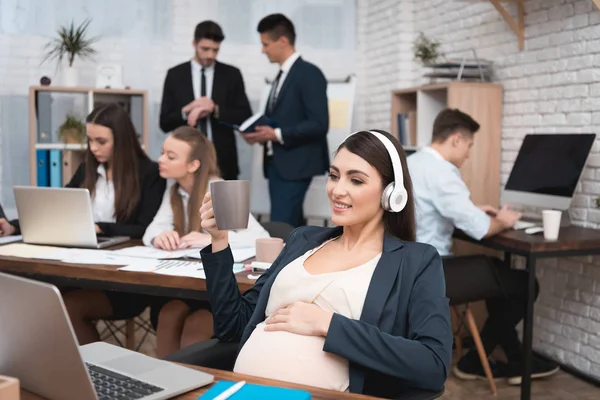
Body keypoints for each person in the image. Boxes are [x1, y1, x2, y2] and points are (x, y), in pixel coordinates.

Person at [193, 130, 452, 397]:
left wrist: (328, 324)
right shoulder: (303, 240)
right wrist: (219, 241)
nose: (338, 190)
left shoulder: (415, 260)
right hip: (241, 392)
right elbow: (232, 325)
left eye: (356, 180)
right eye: (334, 175)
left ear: (391, 194)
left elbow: (432, 365)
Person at [407, 108, 559, 385]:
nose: (468, 153)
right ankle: (476, 361)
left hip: (409, 265)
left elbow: (431, 207)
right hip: (432, 270)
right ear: (455, 139)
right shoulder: (443, 172)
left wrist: (472, 209)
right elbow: (483, 228)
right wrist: (502, 220)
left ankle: (515, 359)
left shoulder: (414, 162)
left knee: (500, 277)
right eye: (469, 145)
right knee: (525, 284)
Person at [18, 103, 166, 345]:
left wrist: (100, 228)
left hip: (124, 281)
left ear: (122, 139)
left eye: (101, 141)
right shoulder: (89, 168)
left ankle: (94, 378)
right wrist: (14, 225)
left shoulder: (148, 173)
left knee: (69, 306)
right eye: (90, 140)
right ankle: (52, 371)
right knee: (40, 297)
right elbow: (57, 206)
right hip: (80, 268)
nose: (93, 148)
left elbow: (144, 228)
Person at [142, 126, 269, 357]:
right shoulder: (174, 189)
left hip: (219, 291)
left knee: (196, 324)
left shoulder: (218, 189)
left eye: (171, 156)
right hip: (188, 285)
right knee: (168, 314)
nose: (160, 159)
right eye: (162, 152)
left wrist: (211, 238)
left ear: (193, 165)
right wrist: (158, 235)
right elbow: (153, 227)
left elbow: (260, 237)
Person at [243, 14, 329, 227]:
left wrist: (276, 134)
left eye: (265, 44)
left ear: (282, 41)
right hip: (279, 165)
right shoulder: (282, 76)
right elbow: (284, 118)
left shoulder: (309, 73)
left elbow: (319, 124)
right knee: (291, 228)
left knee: (281, 227)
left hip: (295, 165)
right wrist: (262, 134)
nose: (263, 50)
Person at [159, 20, 252, 180]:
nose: (210, 55)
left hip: (223, 161)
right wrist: (186, 111)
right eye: (205, 49)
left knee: (225, 205)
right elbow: (164, 123)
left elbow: (245, 117)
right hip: (185, 161)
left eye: (215, 50)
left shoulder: (231, 75)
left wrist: (215, 109)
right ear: (194, 44)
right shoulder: (175, 75)